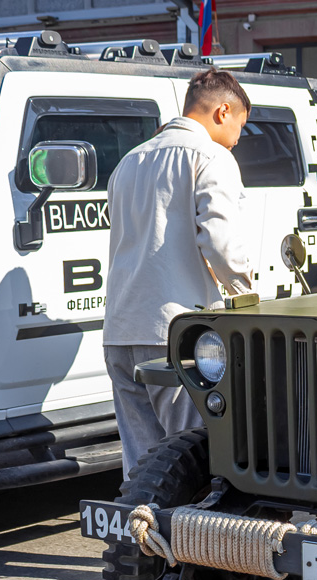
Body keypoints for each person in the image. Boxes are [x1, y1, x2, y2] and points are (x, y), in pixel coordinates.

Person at [103, 68, 253, 478]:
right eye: (241, 125)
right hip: (176, 330)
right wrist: (246, 293)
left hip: (120, 328)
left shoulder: (129, 161)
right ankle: (192, 543)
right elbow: (221, 245)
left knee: (144, 468)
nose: (240, 137)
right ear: (223, 111)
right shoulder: (211, 156)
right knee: (194, 458)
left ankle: (143, 540)